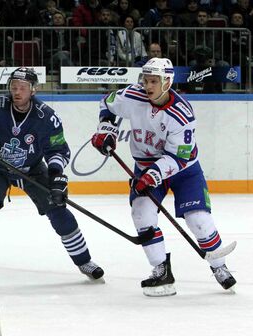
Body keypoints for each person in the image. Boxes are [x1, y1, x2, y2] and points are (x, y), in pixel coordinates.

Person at [90, 57, 236, 296]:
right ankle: (161, 271)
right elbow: (107, 104)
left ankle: (219, 265)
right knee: (141, 214)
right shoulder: (132, 97)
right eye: (146, 80)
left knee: (198, 220)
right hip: (145, 166)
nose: (148, 86)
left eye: (154, 81)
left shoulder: (182, 114)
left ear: (167, 81)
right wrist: (107, 128)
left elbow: (179, 157)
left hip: (184, 170)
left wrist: (153, 175)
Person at [0, 67, 105, 281]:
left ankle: (84, 261)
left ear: (33, 90)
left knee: (60, 213)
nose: (17, 92)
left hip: (33, 170)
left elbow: (58, 151)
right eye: (13, 87)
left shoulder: (46, 117)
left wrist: (55, 177)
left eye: (23, 88)